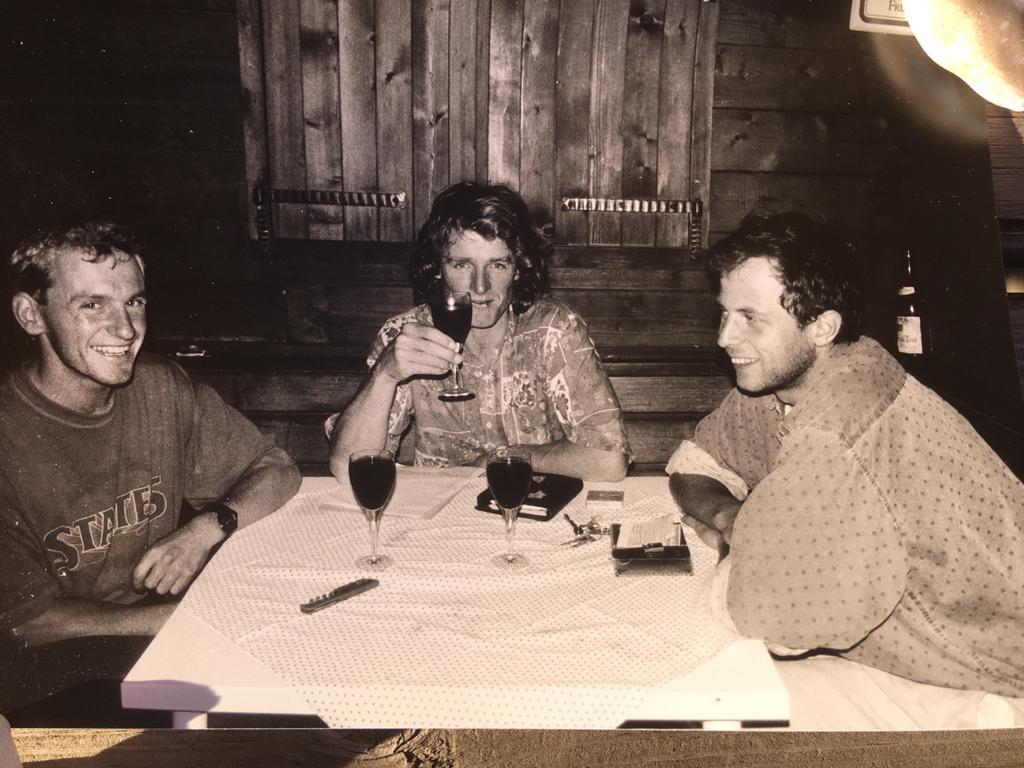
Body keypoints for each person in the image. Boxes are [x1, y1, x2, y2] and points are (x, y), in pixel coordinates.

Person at [668, 212, 1024, 725]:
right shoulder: (785, 381)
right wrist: (730, 518)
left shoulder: (841, 422)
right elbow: (693, 462)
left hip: (985, 684)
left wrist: (737, 543)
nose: (725, 337)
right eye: (724, 314)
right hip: (908, 660)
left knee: (694, 709)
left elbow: (770, 619)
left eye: (750, 318)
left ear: (822, 327)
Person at [0, 222, 301, 714]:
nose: (125, 330)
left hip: (154, 634)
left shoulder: (160, 388)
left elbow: (277, 470)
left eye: (134, 302)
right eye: (92, 305)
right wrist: (175, 619)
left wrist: (205, 529)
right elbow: (25, 621)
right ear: (31, 315)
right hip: (49, 672)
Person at [328, 182, 630, 481]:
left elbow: (609, 460)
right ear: (438, 268)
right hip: (440, 508)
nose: (480, 287)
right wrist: (385, 373)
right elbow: (345, 469)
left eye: (497, 265)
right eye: (462, 265)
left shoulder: (554, 331)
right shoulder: (407, 335)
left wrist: (498, 460)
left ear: (518, 268)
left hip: (529, 504)